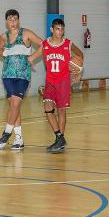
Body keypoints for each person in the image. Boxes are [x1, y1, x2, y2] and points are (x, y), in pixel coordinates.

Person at [29, 18, 84, 153]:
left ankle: (60, 140)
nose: (60, 32)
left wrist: (78, 74)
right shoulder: (45, 44)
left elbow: (80, 55)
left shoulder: (68, 44)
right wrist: (28, 61)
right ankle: (59, 137)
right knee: (48, 108)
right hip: (50, 82)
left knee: (61, 111)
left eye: (62, 29)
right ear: (51, 29)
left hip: (63, 82)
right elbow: (31, 58)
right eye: (58, 29)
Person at [0, 9, 43, 150]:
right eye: (10, 19)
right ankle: (19, 139)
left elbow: (44, 44)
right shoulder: (3, 36)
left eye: (15, 19)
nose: (13, 22)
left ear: (19, 20)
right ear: (6, 22)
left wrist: (32, 57)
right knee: (14, 107)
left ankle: (6, 134)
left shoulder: (26, 33)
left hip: (22, 75)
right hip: (7, 75)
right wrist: (1, 52)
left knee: (15, 104)